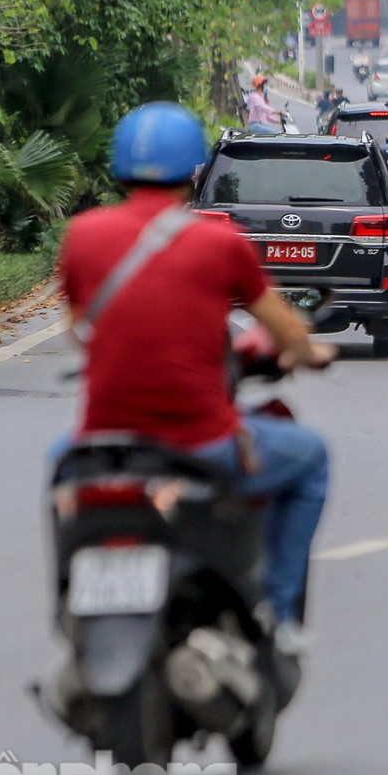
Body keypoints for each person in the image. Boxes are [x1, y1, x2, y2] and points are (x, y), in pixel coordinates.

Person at [54, 102, 336, 650]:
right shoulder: (219, 243)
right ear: (194, 172)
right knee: (312, 458)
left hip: (102, 447)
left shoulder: (82, 235)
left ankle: (66, 605)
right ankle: (278, 614)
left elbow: (78, 328)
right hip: (199, 444)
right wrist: (309, 352)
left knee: (56, 473)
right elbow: (284, 330)